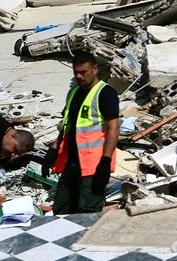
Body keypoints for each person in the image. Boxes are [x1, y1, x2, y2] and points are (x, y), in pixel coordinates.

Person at [43, 50, 120, 214]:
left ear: (95, 69)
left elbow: (114, 128)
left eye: (83, 72)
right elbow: (66, 126)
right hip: (72, 164)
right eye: (76, 72)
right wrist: (53, 150)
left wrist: (105, 162)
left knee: (87, 212)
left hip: (94, 166)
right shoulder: (73, 93)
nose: (79, 76)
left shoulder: (105, 93)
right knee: (61, 209)